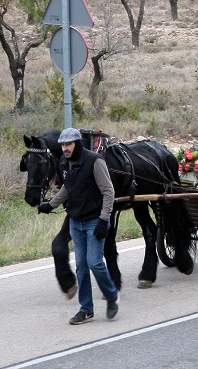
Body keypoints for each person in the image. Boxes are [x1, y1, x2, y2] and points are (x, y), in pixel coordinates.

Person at [37, 128, 119, 325]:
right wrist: (51, 204)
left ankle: (111, 295)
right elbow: (67, 186)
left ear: (77, 144)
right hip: (76, 222)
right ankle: (86, 309)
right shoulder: (64, 163)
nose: (65, 148)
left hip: (94, 221)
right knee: (81, 268)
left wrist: (103, 220)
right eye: (63, 145)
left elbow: (109, 192)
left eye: (69, 144)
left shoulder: (94, 161)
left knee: (95, 263)